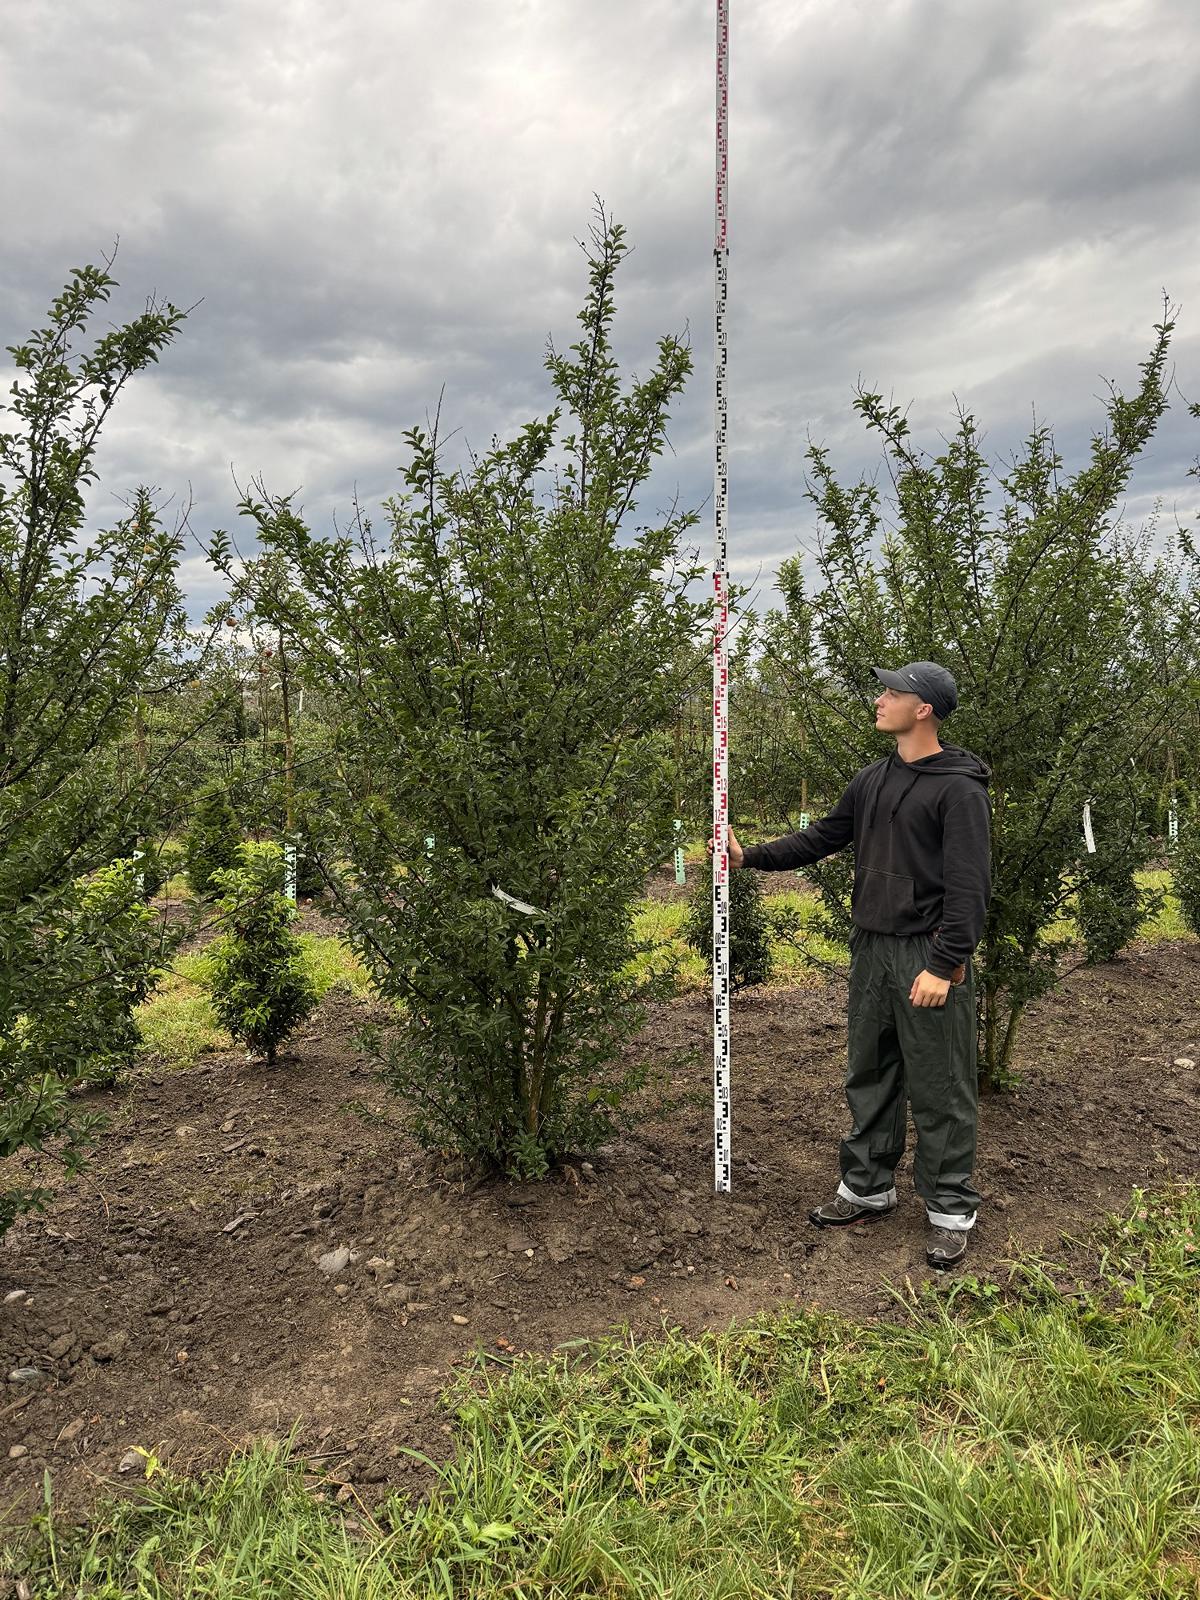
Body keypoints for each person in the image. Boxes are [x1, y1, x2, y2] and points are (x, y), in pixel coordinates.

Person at [714, 661, 991, 1270]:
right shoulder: (873, 779)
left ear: (924, 709)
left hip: (928, 953)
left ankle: (949, 1209)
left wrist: (944, 965)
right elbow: (823, 836)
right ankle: (867, 1185)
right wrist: (748, 857)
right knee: (870, 1071)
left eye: (893, 692)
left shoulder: (960, 789)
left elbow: (970, 889)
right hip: (872, 949)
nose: (881, 699)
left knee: (940, 1082)